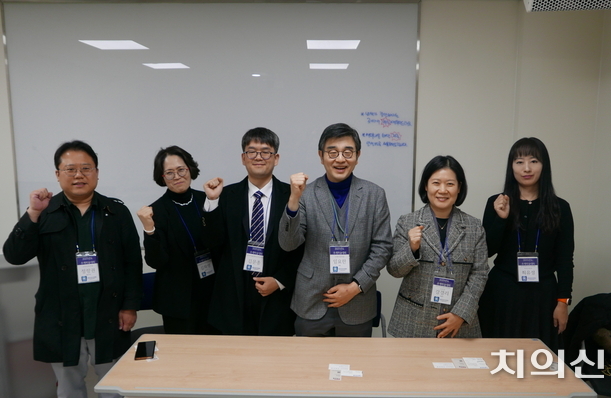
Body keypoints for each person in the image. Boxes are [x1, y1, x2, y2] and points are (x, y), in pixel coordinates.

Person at [3, 140, 142, 398]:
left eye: (86, 168)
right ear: (58, 174)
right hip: (61, 317)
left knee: (114, 390)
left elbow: (132, 263)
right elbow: (14, 256)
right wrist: (32, 213)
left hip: (108, 314)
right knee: (69, 393)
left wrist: (130, 306)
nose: (79, 175)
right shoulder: (44, 211)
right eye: (70, 169)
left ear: (97, 173)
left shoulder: (116, 212)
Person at [279, 123, 393, 337]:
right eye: (332, 152)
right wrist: (293, 200)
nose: (340, 159)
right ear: (321, 156)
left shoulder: (374, 194)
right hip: (312, 301)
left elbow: (383, 248)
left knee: (355, 359)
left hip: (357, 303)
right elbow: (288, 243)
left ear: (357, 156)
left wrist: (355, 287)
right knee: (308, 359)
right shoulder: (306, 194)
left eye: (348, 152)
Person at [202, 128, 303, 335]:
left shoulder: (292, 195)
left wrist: (280, 280)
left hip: (277, 296)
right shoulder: (226, 195)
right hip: (234, 296)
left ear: (276, 158)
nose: (258, 157)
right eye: (252, 151)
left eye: (265, 152)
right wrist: (212, 201)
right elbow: (212, 243)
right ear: (243, 158)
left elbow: (303, 247)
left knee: (274, 354)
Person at [478, 137, 574, 352]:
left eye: (534, 161)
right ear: (511, 166)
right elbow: (486, 251)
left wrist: (563, 302)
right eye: (519, 162)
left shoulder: (560, 208)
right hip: (502, 293)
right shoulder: (497, 202)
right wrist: (501, 218)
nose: (527, 168)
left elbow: (565, 259)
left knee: (539, 361)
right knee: (497, 358)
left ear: (544, 165)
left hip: (543, 296)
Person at [387, 156, 489, 338]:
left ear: (459, 187)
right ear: (426, 186)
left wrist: (461, 314)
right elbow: (394, 270)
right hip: (413, 323)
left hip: (459, 325)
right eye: (436, 183)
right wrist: (411, 248)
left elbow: (480, 274)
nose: (442, 190)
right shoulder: (407, 222)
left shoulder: (474, 227)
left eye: (450, 184)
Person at [137, 146, 220, 335]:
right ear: (162, 177)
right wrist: (149, 229)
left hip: (214, 296)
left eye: (181, 170)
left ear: (190, 169)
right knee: (183, 352)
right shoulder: (155, 211)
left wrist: (214, 204)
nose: (177, 176)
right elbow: (156, 261)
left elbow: (220, 243)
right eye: (169, 173)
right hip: (178, 302)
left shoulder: (208, 200)